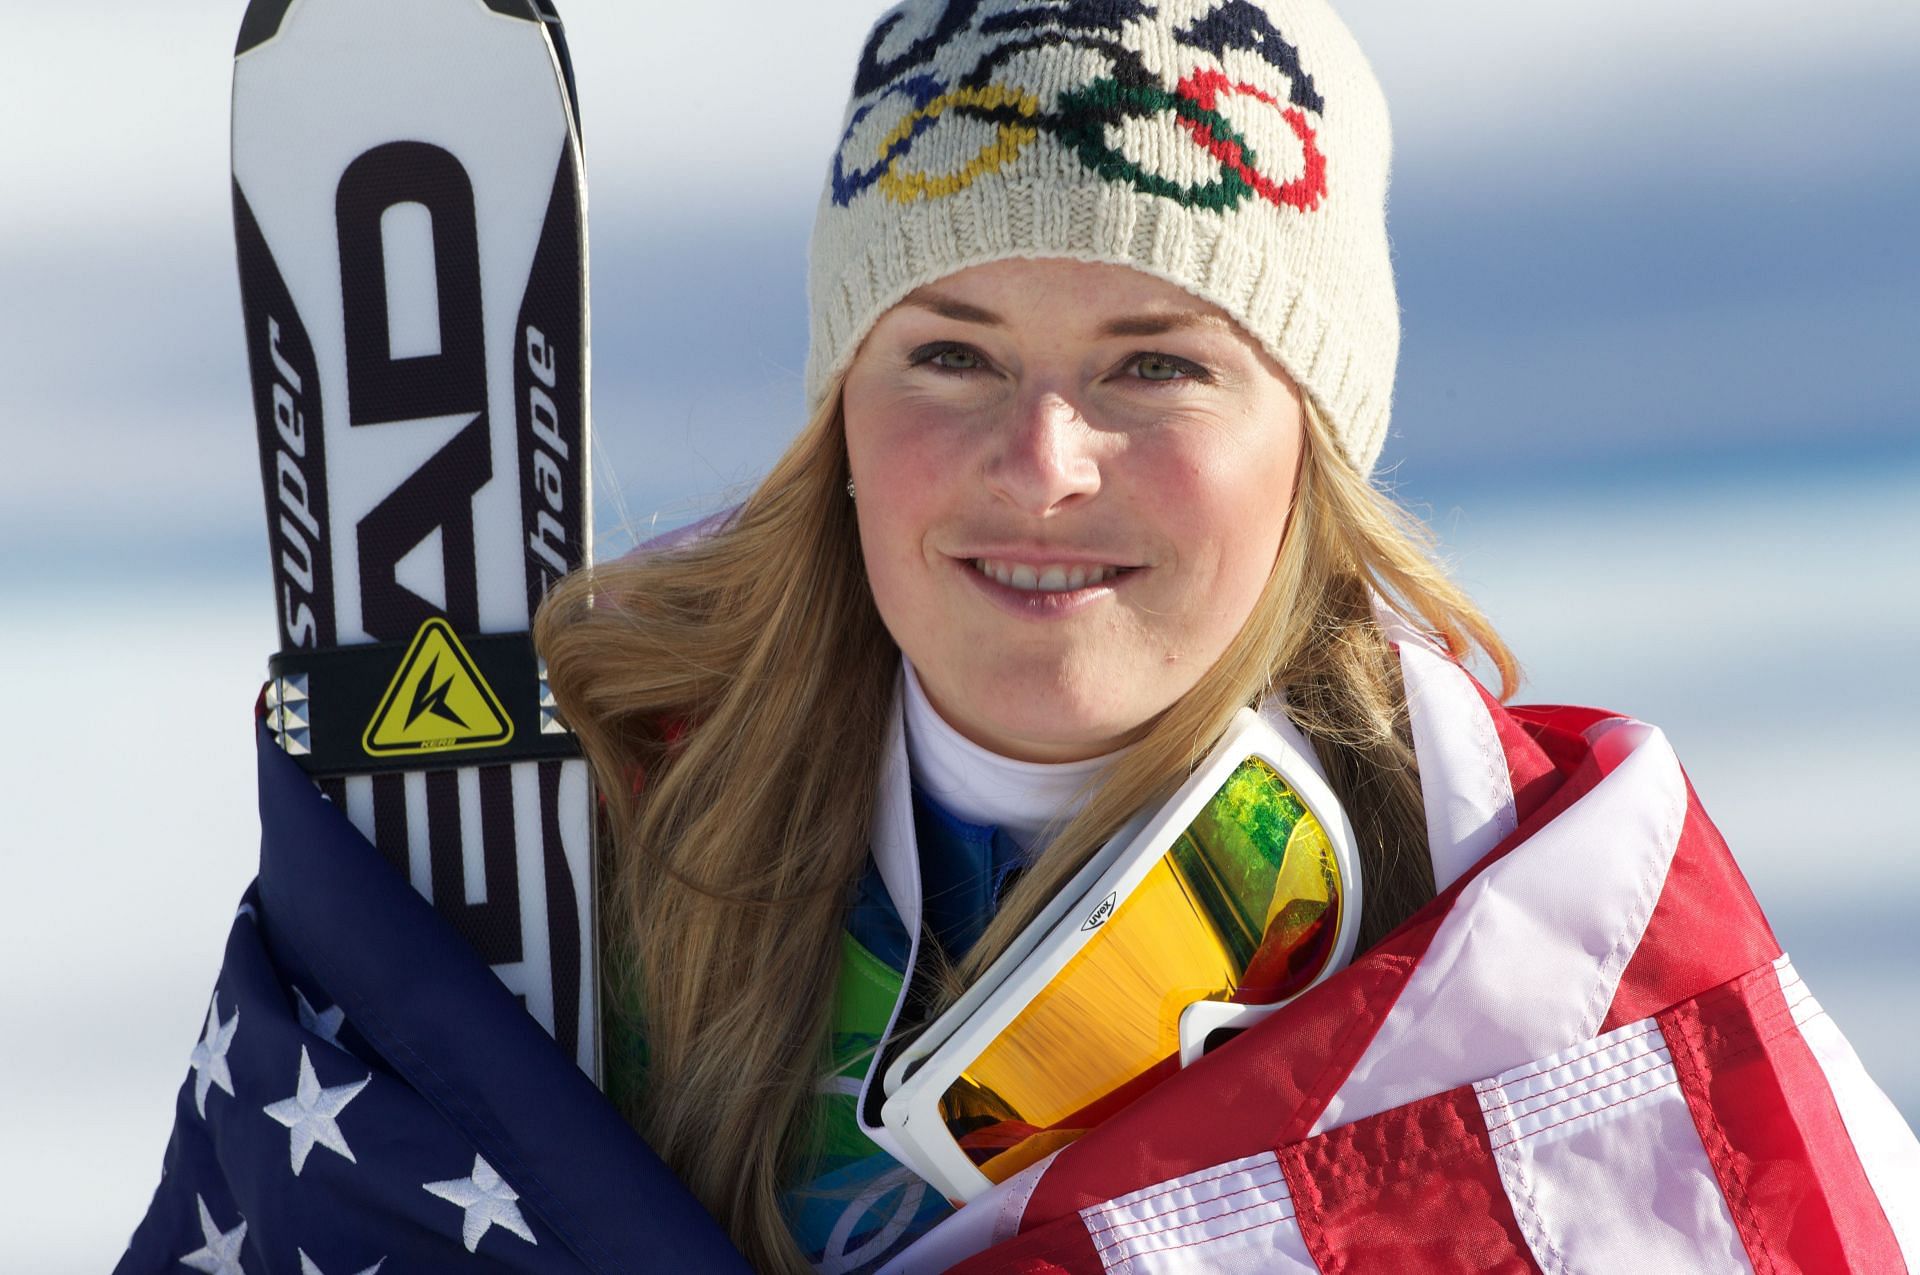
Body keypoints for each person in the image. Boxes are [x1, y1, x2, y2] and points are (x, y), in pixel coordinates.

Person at [531, 2, 1917, 1273]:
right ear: (840, 410)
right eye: (952, 354)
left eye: (1157, 365)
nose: (1041, 461)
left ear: (1308, 444)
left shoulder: (1534, 927)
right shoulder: (579, 816)